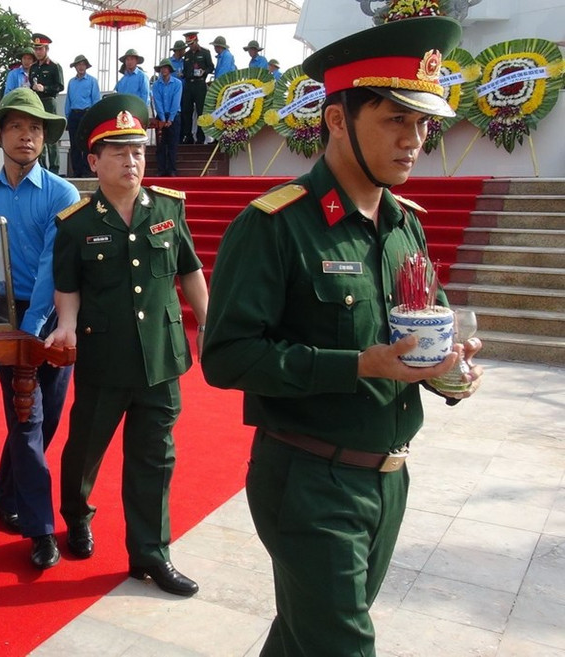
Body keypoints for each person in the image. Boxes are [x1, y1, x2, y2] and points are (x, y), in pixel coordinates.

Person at [201, 16, 485, 655]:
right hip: (309, 480)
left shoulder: (405, 224)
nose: (414, 140)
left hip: (389, 478)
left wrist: (451, 370)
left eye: (423, 124)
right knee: (341, 644)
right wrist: (359, 364)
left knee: (303, 639)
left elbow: (428, 323)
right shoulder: (276, 224)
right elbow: (226, 357)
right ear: (336, 119)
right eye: (395, 119)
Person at [45, 93, 209, 597]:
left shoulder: (168, 208)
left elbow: (189, 271)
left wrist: (210, 322)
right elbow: (68, 286)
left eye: (137, 151)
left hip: (161, 359)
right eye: (118, 152)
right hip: (104, 358)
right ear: (94, 161)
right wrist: (66, 325)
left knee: (155, 460)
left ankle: (151, 554)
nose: (131, 161)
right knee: (85, 450)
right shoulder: (76, 223)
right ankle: (77, 515)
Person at [0, 88, 79, 569]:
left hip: (52, 316)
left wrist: (32, 329)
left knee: (44, 419)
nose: (26, 136)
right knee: (28, 419)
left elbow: (55, 266)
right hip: (3, 316)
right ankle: (40, 528)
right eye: (16, 126)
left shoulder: (61, 193)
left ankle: (2, 495)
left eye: (35, 128)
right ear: (0, 135)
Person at [29, 33, 64, 174]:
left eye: (40, 49)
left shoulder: (54, 66)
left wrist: (45, 88)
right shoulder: (33, 67)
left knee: (51, 135)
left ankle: (54, 169)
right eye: (36, 49)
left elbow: (60, 86)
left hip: (49, 101)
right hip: (37, 102)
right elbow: (31, 83)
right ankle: (42, 167)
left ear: (46, 49)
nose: (38, 52)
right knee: (38, 134)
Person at [65, 54, 101, 178]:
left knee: (86, 144)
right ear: (75, 67)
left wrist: (93, 117)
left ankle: (87, 171)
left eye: (83, 64)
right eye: (78, 65)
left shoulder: (92, 81)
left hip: (86, 114)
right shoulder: (71, 82)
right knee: (74, 145)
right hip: (74, 114)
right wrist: (68, 116)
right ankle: (77, 171)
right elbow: (68, 101)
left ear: (86, 66)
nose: (81, 67)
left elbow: (96, 100)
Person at [180, 31, 213, 144]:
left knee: (201, 111)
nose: (190, 46)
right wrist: (183, 74)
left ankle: (200, 137)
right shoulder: (187, 55)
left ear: (196, 41)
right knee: (186, 111)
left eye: (191, 43)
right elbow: (186, 70)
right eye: (188, 44)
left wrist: (204, 72)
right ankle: (188, 136)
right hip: (189, 84)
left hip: (200, 84)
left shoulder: (205, 52)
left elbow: (211, 67)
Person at [152, 59, 182, 177]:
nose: (163, 70)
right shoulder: (156, 85)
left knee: (172, 144)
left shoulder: (177, 83)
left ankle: (172, 169)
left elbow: (176, 101)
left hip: (174, 115)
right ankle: (161, 169)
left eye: (166, 68)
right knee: (161, 145)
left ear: (169, 69)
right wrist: (163, 118)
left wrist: (171, 119)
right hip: (161, 115)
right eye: (162, 68)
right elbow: (157, 102)